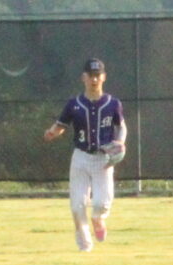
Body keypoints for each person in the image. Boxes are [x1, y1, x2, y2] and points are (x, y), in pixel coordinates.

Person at [40, 56, 126, 251]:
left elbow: (121, 127)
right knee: (77, 205)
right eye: (90, 75)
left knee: (102, 204)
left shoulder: (112, 103)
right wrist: (52, 132)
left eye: (97, 75)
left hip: (103, 159)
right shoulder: (74, 104)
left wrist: (121, 142)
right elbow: (61, 125)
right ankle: (85, 246)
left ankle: (98, 219)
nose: (94, 79)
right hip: (81, 157)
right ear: (84, 78)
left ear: (103, 77)